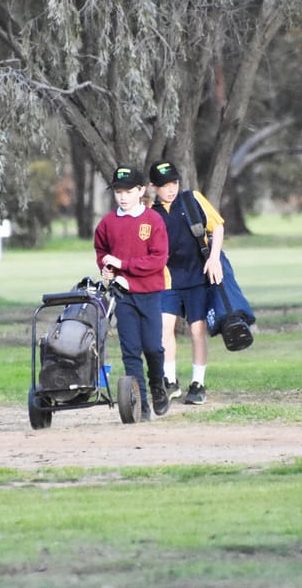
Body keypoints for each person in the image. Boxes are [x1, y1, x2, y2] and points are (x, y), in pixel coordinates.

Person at [94, 165, 171, 420]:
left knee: (153, 348)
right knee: (130, 351)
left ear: (141, 191)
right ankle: (142, 405)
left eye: (128, 191)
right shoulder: (108, 222)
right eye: (118, 192)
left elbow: (158, 259)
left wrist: (124, 266)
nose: (123, 197)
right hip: (122, 296)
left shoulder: (153, 220)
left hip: (149, 293)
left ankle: (158, 385)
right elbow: (102, 252)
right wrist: (106, 269)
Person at [149, 159, 225, 405]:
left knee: (196, 331)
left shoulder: (192, 199)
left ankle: (198, 384)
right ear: (153, 187)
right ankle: (169, 382)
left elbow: (218, 226)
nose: (170, 189)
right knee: (164, 329)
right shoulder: (150, 212)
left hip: (197, 277)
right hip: (167, 279)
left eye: (174, 183)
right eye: (164, 185)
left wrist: (214, 258)